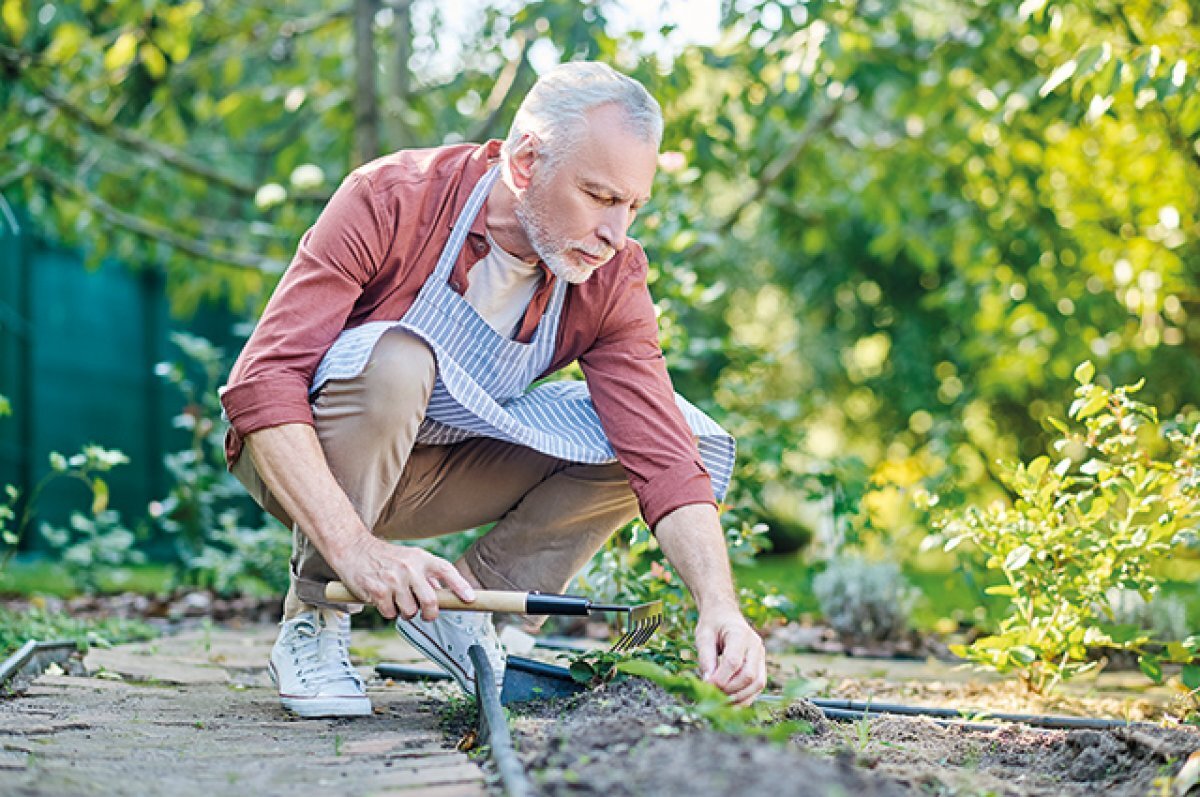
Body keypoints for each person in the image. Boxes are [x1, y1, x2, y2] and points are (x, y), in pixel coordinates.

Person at [219, 61, 767, 718]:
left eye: (632, 205)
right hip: (312, 459)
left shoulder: (609, 275)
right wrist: (355, 549)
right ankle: (314, 616)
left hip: (440, 471)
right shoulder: (392, 199)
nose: (615, 232)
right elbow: (262, 383)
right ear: (527, 162)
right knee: (397, 360)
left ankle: (464, 609)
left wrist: (719, 606)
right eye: (598, 196)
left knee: (686, 438)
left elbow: (663, 457)